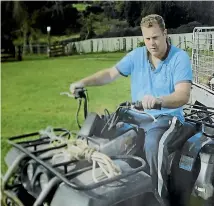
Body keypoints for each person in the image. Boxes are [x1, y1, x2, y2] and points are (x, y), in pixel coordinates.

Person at [69, 14, 192, 206]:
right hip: (135, 116)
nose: (151, 43)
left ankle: (160, 199)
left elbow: (182, 95)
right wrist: (82, 82)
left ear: (165, 33)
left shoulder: (179, 58)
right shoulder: (137, 56)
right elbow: (110, 73)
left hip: (165, 118)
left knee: (154, 147)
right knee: (103, 135)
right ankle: (101, 189)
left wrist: (159, 101)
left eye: (156, 37)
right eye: (147, 38)